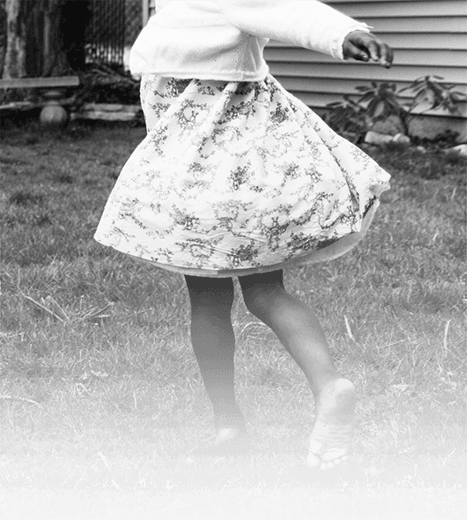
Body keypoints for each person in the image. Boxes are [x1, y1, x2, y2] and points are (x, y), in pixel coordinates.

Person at [94, 0, 393, 470]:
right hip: (254, 184)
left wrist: (340, 32)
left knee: (208, 302)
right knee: (267, 292)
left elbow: (281, 8)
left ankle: (229, 426)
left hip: (203, 194)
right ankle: (329, 383)